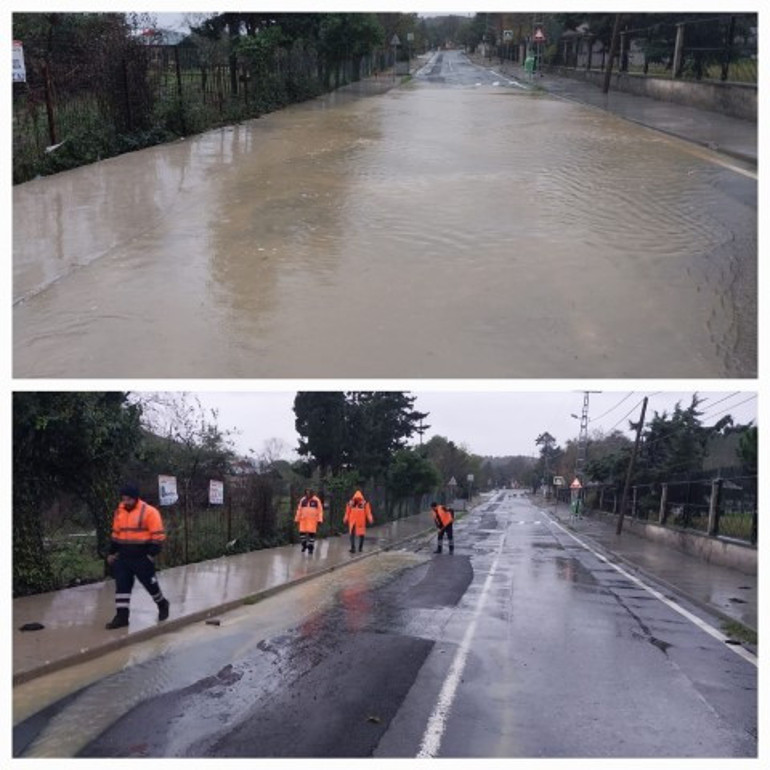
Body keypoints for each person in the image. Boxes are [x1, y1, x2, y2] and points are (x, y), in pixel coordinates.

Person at [105, 483, 169, 629]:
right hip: (123, 557)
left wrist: (150, 555)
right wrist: (111, 553)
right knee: (122, 588)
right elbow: (116, 535)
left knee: (151, 586)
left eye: (128, 499)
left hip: (142, 557)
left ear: (135, 498)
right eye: (124, 499)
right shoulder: (119, 512)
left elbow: (158, 537)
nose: (125, 502)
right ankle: (121, 617)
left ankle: (162, 604)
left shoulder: (149, 512)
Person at [295, 488, 324, 554]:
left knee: (311, 535)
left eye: (309, 492)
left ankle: (311, 548)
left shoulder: (316, 500)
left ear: (311, 493)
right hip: (303, 520)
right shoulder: (303, 500)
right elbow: (299, 510)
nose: (308, 493)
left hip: (312, 521)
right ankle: (304, 544)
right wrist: (297, 518)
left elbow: (320, 511)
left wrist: (320, 519)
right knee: (302, 534)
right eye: (306, 492)